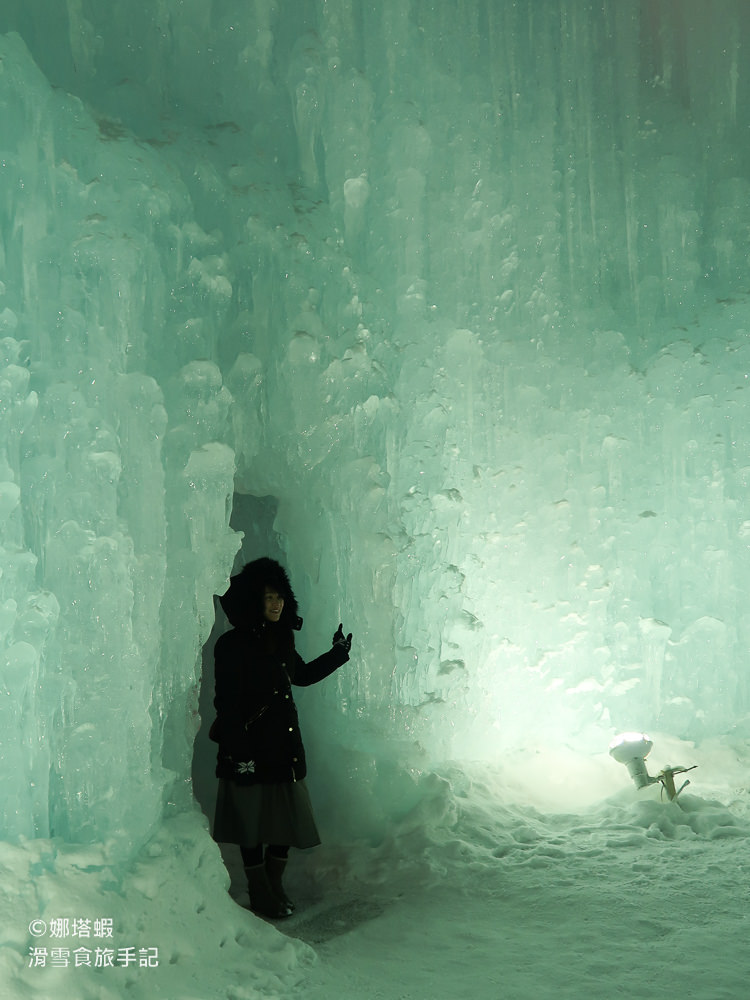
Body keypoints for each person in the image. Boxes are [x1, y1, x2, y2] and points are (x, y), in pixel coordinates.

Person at [210, 557, 352, 919]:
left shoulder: (281, 640)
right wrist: (238, 752)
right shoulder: (231, 645)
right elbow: (226, 703)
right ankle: (259, 889)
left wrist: (337, 655)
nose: (276, 605)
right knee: (252, 821)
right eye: (269, 597)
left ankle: (274, 884)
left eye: (280, 598)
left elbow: (300, 675)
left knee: (285, 820)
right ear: (253, 600)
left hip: (282, 745)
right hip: (250, 747)